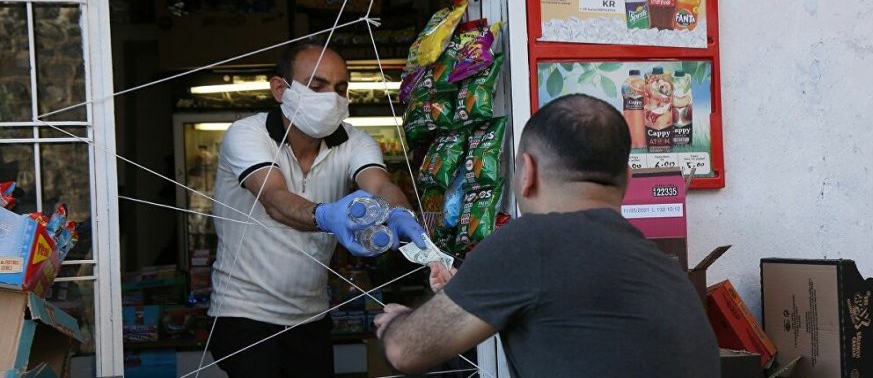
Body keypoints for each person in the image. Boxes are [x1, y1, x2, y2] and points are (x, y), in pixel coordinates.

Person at [375, 94, 720, 377]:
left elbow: (405, 352)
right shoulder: (667, 270)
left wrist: (397, 323)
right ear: (627, 181)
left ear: (527, 171)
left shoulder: (530, 242)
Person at [207, 43, 428, 378]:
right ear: (281, 88)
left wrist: (400, 213)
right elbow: (275, 199)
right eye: (317, 86)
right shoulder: (248, 134)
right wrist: (326, 216)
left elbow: (380, 185)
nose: (331, 98)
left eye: (340, 89)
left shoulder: (355, 141)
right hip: (243, 315)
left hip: (311, 317)